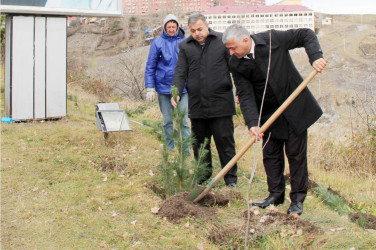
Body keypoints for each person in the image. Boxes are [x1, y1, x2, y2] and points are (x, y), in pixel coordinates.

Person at [222, 24, 327, 215]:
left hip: (293, 106)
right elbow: (244, 94)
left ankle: (297, 200)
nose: (230, 52)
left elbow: (305, 34)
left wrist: (315, 56)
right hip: (268, 114)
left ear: (245, 40)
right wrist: (252, 123)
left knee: (296, 156)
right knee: (270, 156)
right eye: (229, 49)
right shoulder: (235, 63)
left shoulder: (272, 39)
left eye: (233, 47)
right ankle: (275, 195)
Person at [172, 13, 237, 188]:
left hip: (221, 102)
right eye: (193, 31)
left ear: (207, 26)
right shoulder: (185, 46)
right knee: (200, 143)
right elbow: (180, 71)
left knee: (225, 142)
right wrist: (176, 91)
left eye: (200, 29)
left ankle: (230, 179)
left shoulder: (222, 41)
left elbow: (235, 67)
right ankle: (203, 174)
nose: (197, 33)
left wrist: (240, 91)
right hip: (197, 104)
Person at [145, 14, 190, 155]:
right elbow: (150, 66)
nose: (171, 29)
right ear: (164, 27)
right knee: (167, 121)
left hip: (183, 88)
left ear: (177, 27)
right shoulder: (157, 43)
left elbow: (193, 64)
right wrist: (150, 88)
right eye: (168, 27)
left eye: (173, 26)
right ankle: (170, 149)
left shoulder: (185, 42)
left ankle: (186, 152)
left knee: (183, 121)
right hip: (164, 87)